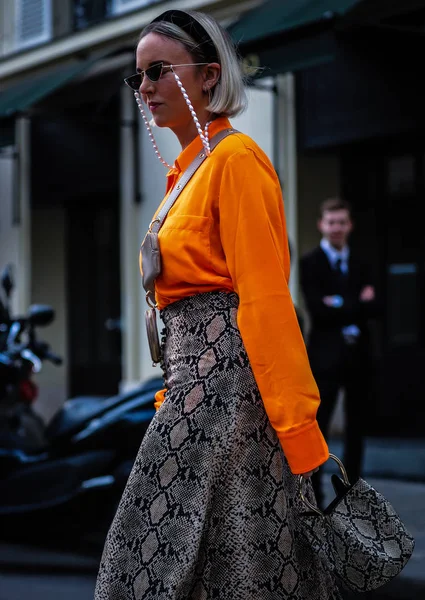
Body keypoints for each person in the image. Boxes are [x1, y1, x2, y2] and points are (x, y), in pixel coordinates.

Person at [95, 10, 341, 600]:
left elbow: (265, 301)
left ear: (209, 76)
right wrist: (170, 394)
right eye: (138, 77)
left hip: (230, 399)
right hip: (190, 393)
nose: (145, 88)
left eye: (157, 71)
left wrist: (303, 435)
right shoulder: (185, 172)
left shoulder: (236, 160)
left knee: (196, 569)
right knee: (187, 571)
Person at [300, 197, 380, 509]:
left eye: (342, 222)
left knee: (357, 429)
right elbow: (319, 312)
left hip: (359, 355)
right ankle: (317, 494)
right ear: (321, 224)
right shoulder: (310, 263)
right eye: (331, 222)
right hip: (325, 358)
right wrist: (357, 303)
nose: (336, 228)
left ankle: (354, 496)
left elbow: (377, 307)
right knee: (319, 427)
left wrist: (339, 303)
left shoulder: (363, 261)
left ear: (350, 225)